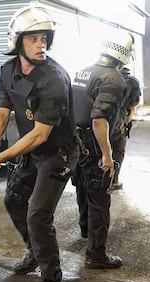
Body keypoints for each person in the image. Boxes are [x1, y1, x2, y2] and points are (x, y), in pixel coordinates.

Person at [0, 5, 79, 282]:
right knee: (13, 200)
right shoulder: (8, 71)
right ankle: (34, 251)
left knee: (38, 216)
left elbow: (40, 135)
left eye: (44, 38)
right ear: (18, 41)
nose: (41, 44)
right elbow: (2, 111)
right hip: (33, 152)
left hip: (57, 153)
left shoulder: (54, 79)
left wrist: (1, 157)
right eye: (33, 38)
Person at [71, 30, 134, 267]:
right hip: (94, 146)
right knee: (99, 199)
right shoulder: (113, 79)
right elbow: (99, 120)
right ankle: (96, 255)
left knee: (83, 190)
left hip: (77, 144)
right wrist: (107, 155)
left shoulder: (83, 71)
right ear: (124, 54)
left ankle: (86, 230)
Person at [110, 66, 141, 190]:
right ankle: (113, 181)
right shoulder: (132, 81)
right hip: (118, 121)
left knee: (102, 150)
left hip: (100, 120)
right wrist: (126, 122)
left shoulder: (105, 75)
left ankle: (100, 180)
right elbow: (133, 108)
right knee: (118, 151)